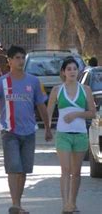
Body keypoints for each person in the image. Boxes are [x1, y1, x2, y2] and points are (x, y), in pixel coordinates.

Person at [0, 46, 52, 214]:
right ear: (10, 61)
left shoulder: (34, 82)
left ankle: (19, 203)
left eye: (22, 58)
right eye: (17, 58)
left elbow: (41, 106)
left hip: (29, 132)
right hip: (9, 132)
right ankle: (15, 204)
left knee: (23, 170)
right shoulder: (0, 83)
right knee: (14, 168)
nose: (20, 61)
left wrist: (48, 128)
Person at [47, 57, 96, 213]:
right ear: (63, 72)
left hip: (80, 135)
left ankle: (73, 202)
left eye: (74, 69)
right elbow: (48, 111)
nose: (72, 72)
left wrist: (76, 114)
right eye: (69, 69)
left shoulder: (85, 90)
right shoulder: (57, 90)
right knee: (66, 169)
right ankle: (65, 204)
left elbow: (92, 113)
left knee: (76, 172)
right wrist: (48, 128)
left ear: (78, 71)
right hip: (63, 135)